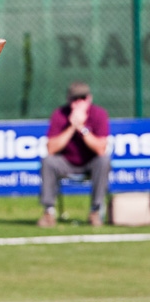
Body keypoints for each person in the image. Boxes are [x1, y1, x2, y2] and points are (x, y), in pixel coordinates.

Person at [38, 81, 110, 227]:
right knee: (48, 161)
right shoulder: (60, 114)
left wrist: (82, 128)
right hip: (66, 162)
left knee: (104, 160)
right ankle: (48, 212)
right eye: (74, 99)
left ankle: (95, 210)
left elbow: (100, 149)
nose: (78, 103)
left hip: (90, 162)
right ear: (69, 100)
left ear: (89, 99)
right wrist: (72, 126)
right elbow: (51, 148)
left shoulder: (99, 114)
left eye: (82, 98)